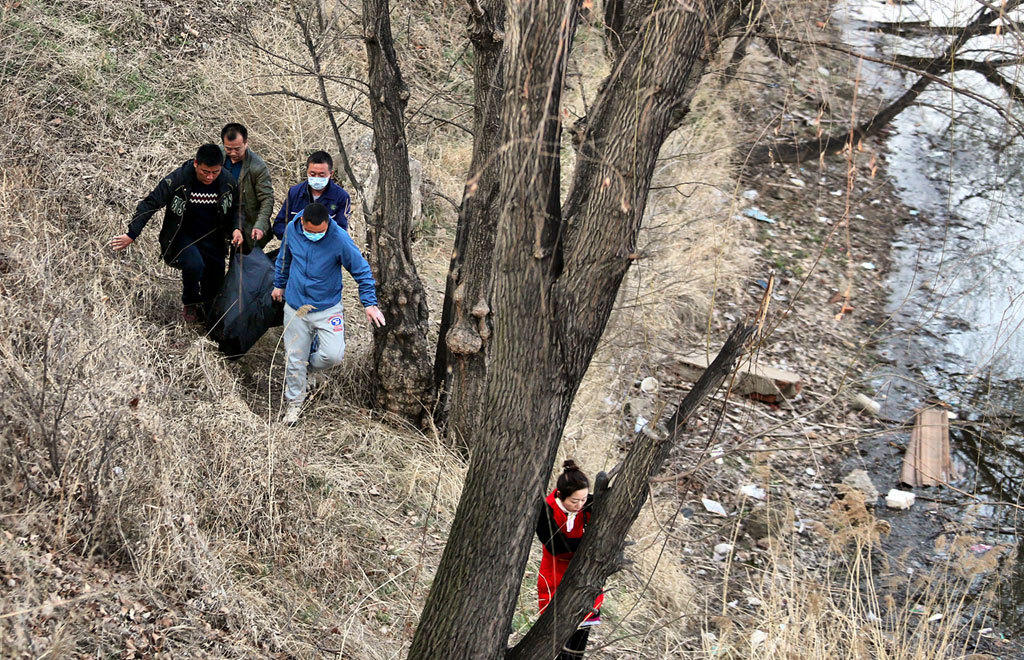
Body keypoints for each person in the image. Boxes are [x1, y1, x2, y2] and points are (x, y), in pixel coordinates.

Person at [272, 202, 385, 424]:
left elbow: (361, 270)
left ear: (328, 224)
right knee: (294, 358)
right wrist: (279, 284)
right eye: (312, 232)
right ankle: (294, 405)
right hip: (295, 305)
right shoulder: (292, 230)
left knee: (333, 355)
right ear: (302, 222)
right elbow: (284, 259)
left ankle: (308, 368)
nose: (317, 235)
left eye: (321, 231)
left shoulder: (339, 238)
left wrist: (369, 303)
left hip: (327, 307)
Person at [110, 143, 242, 323]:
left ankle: (209, 317)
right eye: (205, 172)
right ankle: (190, 302)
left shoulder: (227, 180)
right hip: (181, 236)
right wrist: (132, 233)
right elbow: (150, 203)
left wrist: (236, 229)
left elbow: (236, 208)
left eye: (215, 172)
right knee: (194, 264)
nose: (210, 177)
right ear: (196, 163)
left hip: (214, 238)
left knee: (215, 282)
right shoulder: (177, 179)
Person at [536, 460, 604, 660]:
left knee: (578, 645)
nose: (580, 505)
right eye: (575, 501)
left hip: (584, 579)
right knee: (559, 643)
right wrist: (589, 544)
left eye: (584, 499)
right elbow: (557, 547)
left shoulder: (586, 504)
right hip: (554, 577)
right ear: (560, 495)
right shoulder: (546, 509)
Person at [271, 150, 351, 240]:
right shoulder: (294, 193)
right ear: (307, 172)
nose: (316, 178)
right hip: (296, 247)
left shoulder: (341, 197)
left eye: (321, 175)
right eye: (312, 174)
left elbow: (341, 232)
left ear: (331, 174)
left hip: (325, 249)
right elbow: (279, 225)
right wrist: (296, 238)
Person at [220, 122, 275, 248]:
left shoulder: (257, 167)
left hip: (247, 223)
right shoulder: (218, 156)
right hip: (221, 219)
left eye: (237, 149)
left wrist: (260, 225)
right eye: (228, 148)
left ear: (246, 143)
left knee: (244, 264)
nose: (233, 153)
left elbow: (267, 199)